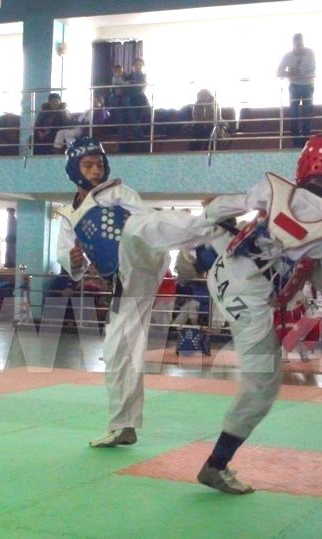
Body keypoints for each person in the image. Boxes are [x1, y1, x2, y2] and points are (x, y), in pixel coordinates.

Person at [197, 133, 322, 494]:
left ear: (304, 164)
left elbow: (222, 206)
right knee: (262, 388)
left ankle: (184, 241)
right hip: (251, 305)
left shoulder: (275, 190)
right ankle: (216, 465)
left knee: (215, 221)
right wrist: (307, 256)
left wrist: (206, 221)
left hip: (220, 272)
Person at [56, 136, 212, 448]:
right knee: (118, 351)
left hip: (143, 256)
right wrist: (73, 260)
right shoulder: (68, 215)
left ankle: (213, 228)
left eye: (99, 164)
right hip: (124, 281)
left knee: (141, 225)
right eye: (88, 165)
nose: (96, 170)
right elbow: (66, 255)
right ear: (74, 169)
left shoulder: (116, 192)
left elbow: (147, 219)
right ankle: (123, 425)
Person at [277, 33, 316, 147]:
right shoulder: (287, 56)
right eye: (297, 44)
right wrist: (289, 73)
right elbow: (278, 72)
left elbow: (311, 69)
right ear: (293, 44)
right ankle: (296, 140)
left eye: (301, 44)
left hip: (308, 85)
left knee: (307, 113)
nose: (299, 47)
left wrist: (296, 72)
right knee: (294, 113)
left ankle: (306, 139)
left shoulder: (310, 53)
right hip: (294, 86)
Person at [123, 58, 150, 142]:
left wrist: (132, 85)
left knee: (137, 121)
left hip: (140, 101)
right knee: (134, 121)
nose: (138, 66)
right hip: (130, 101)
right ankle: (140, 140)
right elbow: (125, 88)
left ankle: (140, 140)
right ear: (133, 66)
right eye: (136, 64)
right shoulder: (128, 76)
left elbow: (140, 88)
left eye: (140, 65)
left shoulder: (143, 76)